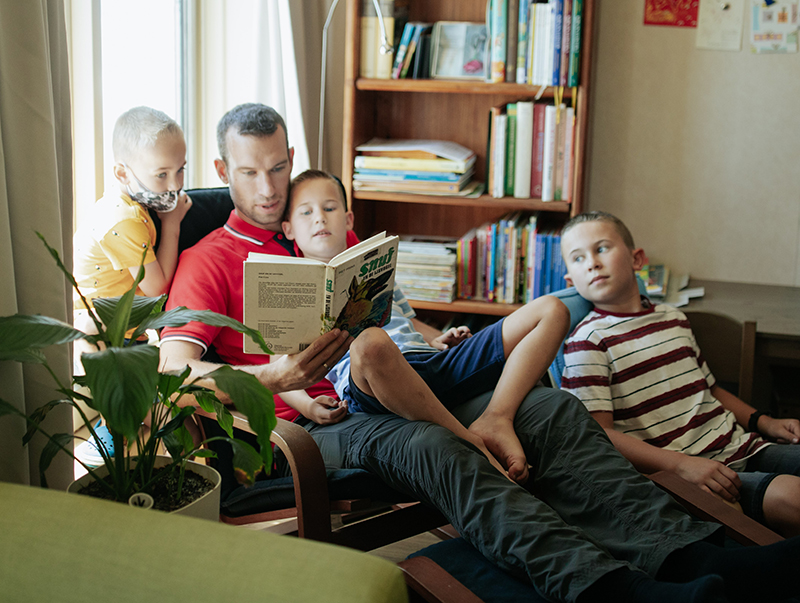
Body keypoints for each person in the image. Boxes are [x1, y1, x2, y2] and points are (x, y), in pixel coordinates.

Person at [159, 103, 800, 603]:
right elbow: (173, 370)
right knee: (431, 446)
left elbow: (393, 319)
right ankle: (613, 592)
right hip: (315, 425)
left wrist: (438, 340)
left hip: (399, 385)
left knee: (548, 410)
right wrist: (275, 374)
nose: (269, 187)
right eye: (249, 173)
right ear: (223, 173)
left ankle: (692, 553)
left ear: (291, 157)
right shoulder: (208, 259)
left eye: (278, 167)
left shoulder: (327, 232)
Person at [280, 168, 570, 483]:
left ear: (348, 219)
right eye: (306, 212)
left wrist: (438, 339)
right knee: (370, 342)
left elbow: (410, 322)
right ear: (289, 229)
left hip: (429, 362)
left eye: (329, 208)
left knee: (552, 309)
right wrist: (308, 407)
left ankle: (497, 416)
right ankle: (466, 438)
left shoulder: (374, 268)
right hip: (370, 385)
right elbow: (279, 369)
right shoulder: (294, 292)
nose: (320, 218)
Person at [560, 211, 800, 538]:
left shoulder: (673, 317)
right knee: (792, 497)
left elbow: (711, 390)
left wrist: (764, 422)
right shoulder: (588, 342)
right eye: (578, 258)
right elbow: (600, 434)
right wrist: (678, 465)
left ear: (637, 258)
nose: (592, 263)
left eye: (602, 249)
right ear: (571, 281)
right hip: (691, 474)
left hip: (745, 446)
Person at [72, 106, 192, 466]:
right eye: (161, 175)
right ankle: (106, 444)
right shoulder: (122, 219)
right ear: (123, 172)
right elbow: (156, 288)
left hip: (127, 313)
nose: (175, 185)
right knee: (123, 396)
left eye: (181, 169)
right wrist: (172, 225)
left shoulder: (135, 202)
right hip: (104, 322)